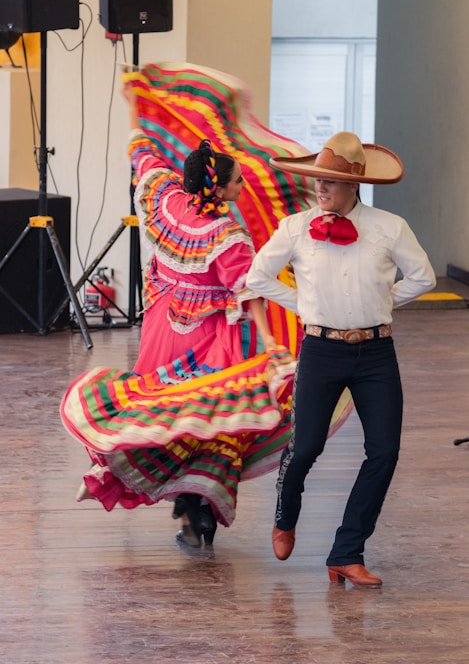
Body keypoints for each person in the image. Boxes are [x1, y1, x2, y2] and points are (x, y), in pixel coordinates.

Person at [61, 81, 297, 549]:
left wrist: (135, 105)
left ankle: (189, 506)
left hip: (162, 326)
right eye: (236, 181)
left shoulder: (163, 199)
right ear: (219, 187)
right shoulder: (225, 235)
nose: (242, 186)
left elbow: (142, 153)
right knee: (211, 418)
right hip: (209, 335)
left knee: (164, 410)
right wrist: (270, 342)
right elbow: (248, 292)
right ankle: (199, 507)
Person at [246, 131, 436, 586]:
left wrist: (385, 301)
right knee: (307, 446)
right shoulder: (295, 228)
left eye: (330, 180)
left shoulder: (390, 227)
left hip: (376, 352)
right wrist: (304, 305)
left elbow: (423, 277)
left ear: (355, 185)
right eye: (318, 179)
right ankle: (285, 512)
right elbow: (258, 277)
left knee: (385, 452)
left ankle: (346, 552)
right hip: (321, 350)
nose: (321, 187)